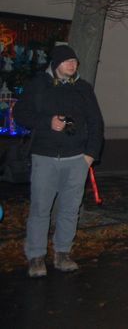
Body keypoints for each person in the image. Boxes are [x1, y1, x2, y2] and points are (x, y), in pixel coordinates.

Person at [14, 44, 104, 277]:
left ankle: (63, 253)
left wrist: (90, 155)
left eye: (75, 61)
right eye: (67, 61)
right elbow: (20, 114)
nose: (73, 65)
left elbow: (96, 122)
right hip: (45, 157)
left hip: (77, 159)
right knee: (40, 209)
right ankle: (36, 257)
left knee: (69, 209)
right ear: (55, 65)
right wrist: (47, 122)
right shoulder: (39, 85)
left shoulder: (83, 89)